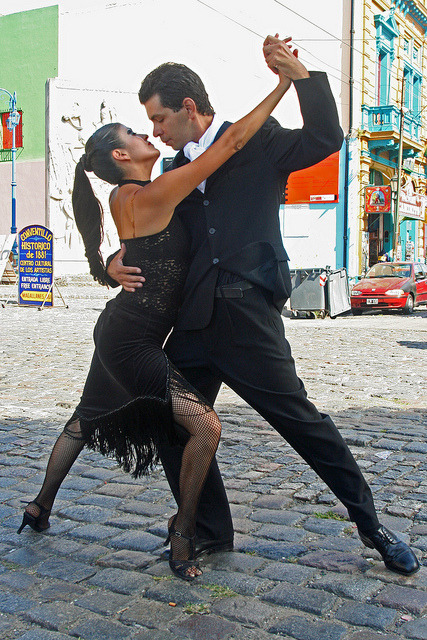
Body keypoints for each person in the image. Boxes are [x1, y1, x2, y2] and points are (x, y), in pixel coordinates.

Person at [106, 35, 419, 576]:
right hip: (192, 323)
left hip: (248, 316)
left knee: (304, 425)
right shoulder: (169, 173)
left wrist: (299, 77)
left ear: (187, 107)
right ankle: (208, 530)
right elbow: (154, 234)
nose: (154, 132)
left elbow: (325, 136)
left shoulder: (256, 139)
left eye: (158, 119)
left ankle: (374, 528)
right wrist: (114, 258)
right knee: (174, 426)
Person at [17, 59, 293, 581]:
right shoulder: (149, 193)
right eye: (136, 133)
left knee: (87, 417)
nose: (150, 133)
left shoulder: (132, 197)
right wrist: (281, 85)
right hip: (133, 340)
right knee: (205, 426)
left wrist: (110, 265)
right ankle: (186, 535)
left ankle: (39, 505)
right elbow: (229, 146)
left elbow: (136, 253)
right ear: (122, 156)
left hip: (122, 327)